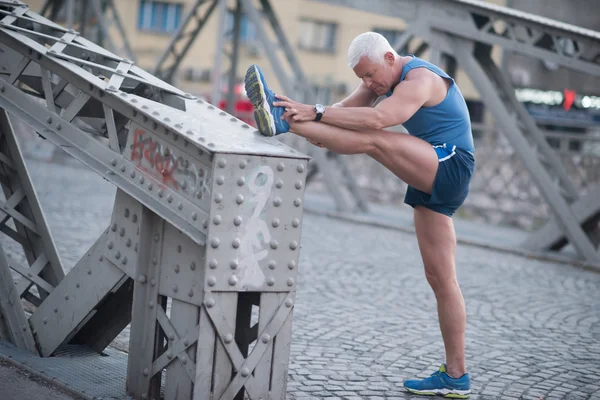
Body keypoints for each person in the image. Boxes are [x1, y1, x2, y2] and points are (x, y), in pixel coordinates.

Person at [244, 31, 474, 399]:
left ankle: (281, 120)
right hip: (429, 168)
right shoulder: (379, 79)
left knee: (375, 139)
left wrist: (312, 113)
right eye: (361, 79)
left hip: (451, 163)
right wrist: (309, 116)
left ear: (388, 57)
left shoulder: (420, 79)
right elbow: (336, 125)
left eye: (370, 75)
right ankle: (456, 376)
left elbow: (378, 121)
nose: (368, 84)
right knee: (441, 279)